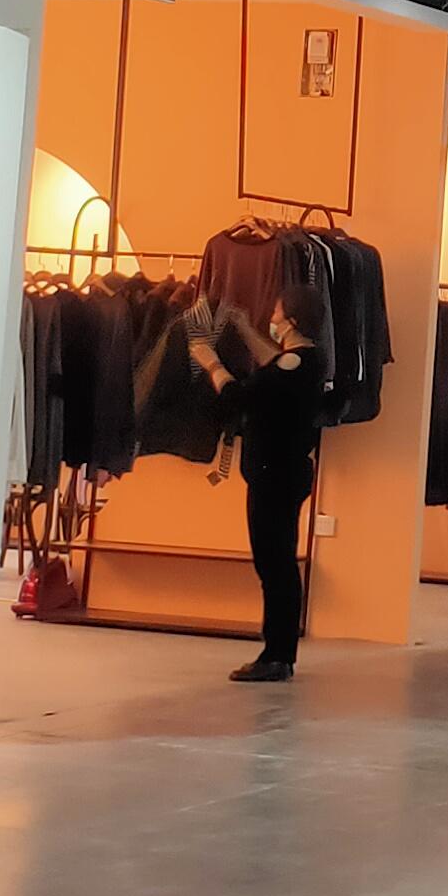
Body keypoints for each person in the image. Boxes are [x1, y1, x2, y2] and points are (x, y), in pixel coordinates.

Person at [187, 280, 327, 684]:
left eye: (277, 312)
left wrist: (211, 362)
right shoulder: (306, 360)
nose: (273, 317)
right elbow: (273, 366)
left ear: (292, 320)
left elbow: (240, 397)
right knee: (279, 561)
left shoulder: (293, 366)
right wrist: (245, 328)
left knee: (273, 564)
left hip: (273, 476)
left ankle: (276, 654)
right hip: (285, 474)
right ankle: (280, 652)